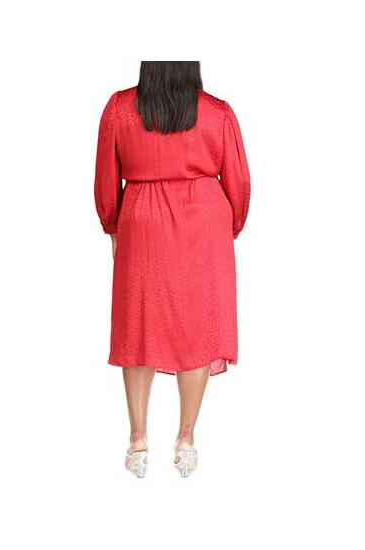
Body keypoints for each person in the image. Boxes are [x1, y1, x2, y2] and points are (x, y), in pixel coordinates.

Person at [94, 61, 250, 478]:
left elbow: (106, 174)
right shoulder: (217, 112)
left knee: (138, 325)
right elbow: (238, 181)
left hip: (141, 219)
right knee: (197, 327)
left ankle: (137, 440)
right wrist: (229, 228)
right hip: (204, 222)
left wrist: (113, 224)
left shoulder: (120, 109)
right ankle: (186, 439)